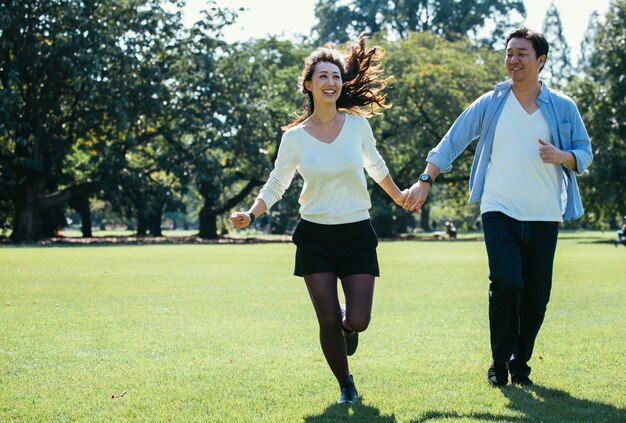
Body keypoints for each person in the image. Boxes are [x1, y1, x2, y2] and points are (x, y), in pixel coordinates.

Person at [404, 28, 592, 387]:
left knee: (536, 298)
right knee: (505, 283)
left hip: (544, 215)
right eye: (509, 53)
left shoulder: (563, 107)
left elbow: (585, 152)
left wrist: (563, 156)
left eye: (522, 53)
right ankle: (499, 360)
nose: (513, 60)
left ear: (540, 61)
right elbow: (453, 139)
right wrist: (425, 180)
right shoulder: (492, 102)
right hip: (499, 210)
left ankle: (521, 363)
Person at [230, 34, 407, 404]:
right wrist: (252, 212)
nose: (331, 83)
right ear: (308, 84)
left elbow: (376, 167)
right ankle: (346, 385)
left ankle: (349, 327)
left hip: (357, 232)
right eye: (323, 76)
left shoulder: (357, 127)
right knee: (326, 319)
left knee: (357, 319)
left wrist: (401, 197)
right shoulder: (294, 137)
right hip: (315, 238)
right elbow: (277, 182)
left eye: (336, 76)